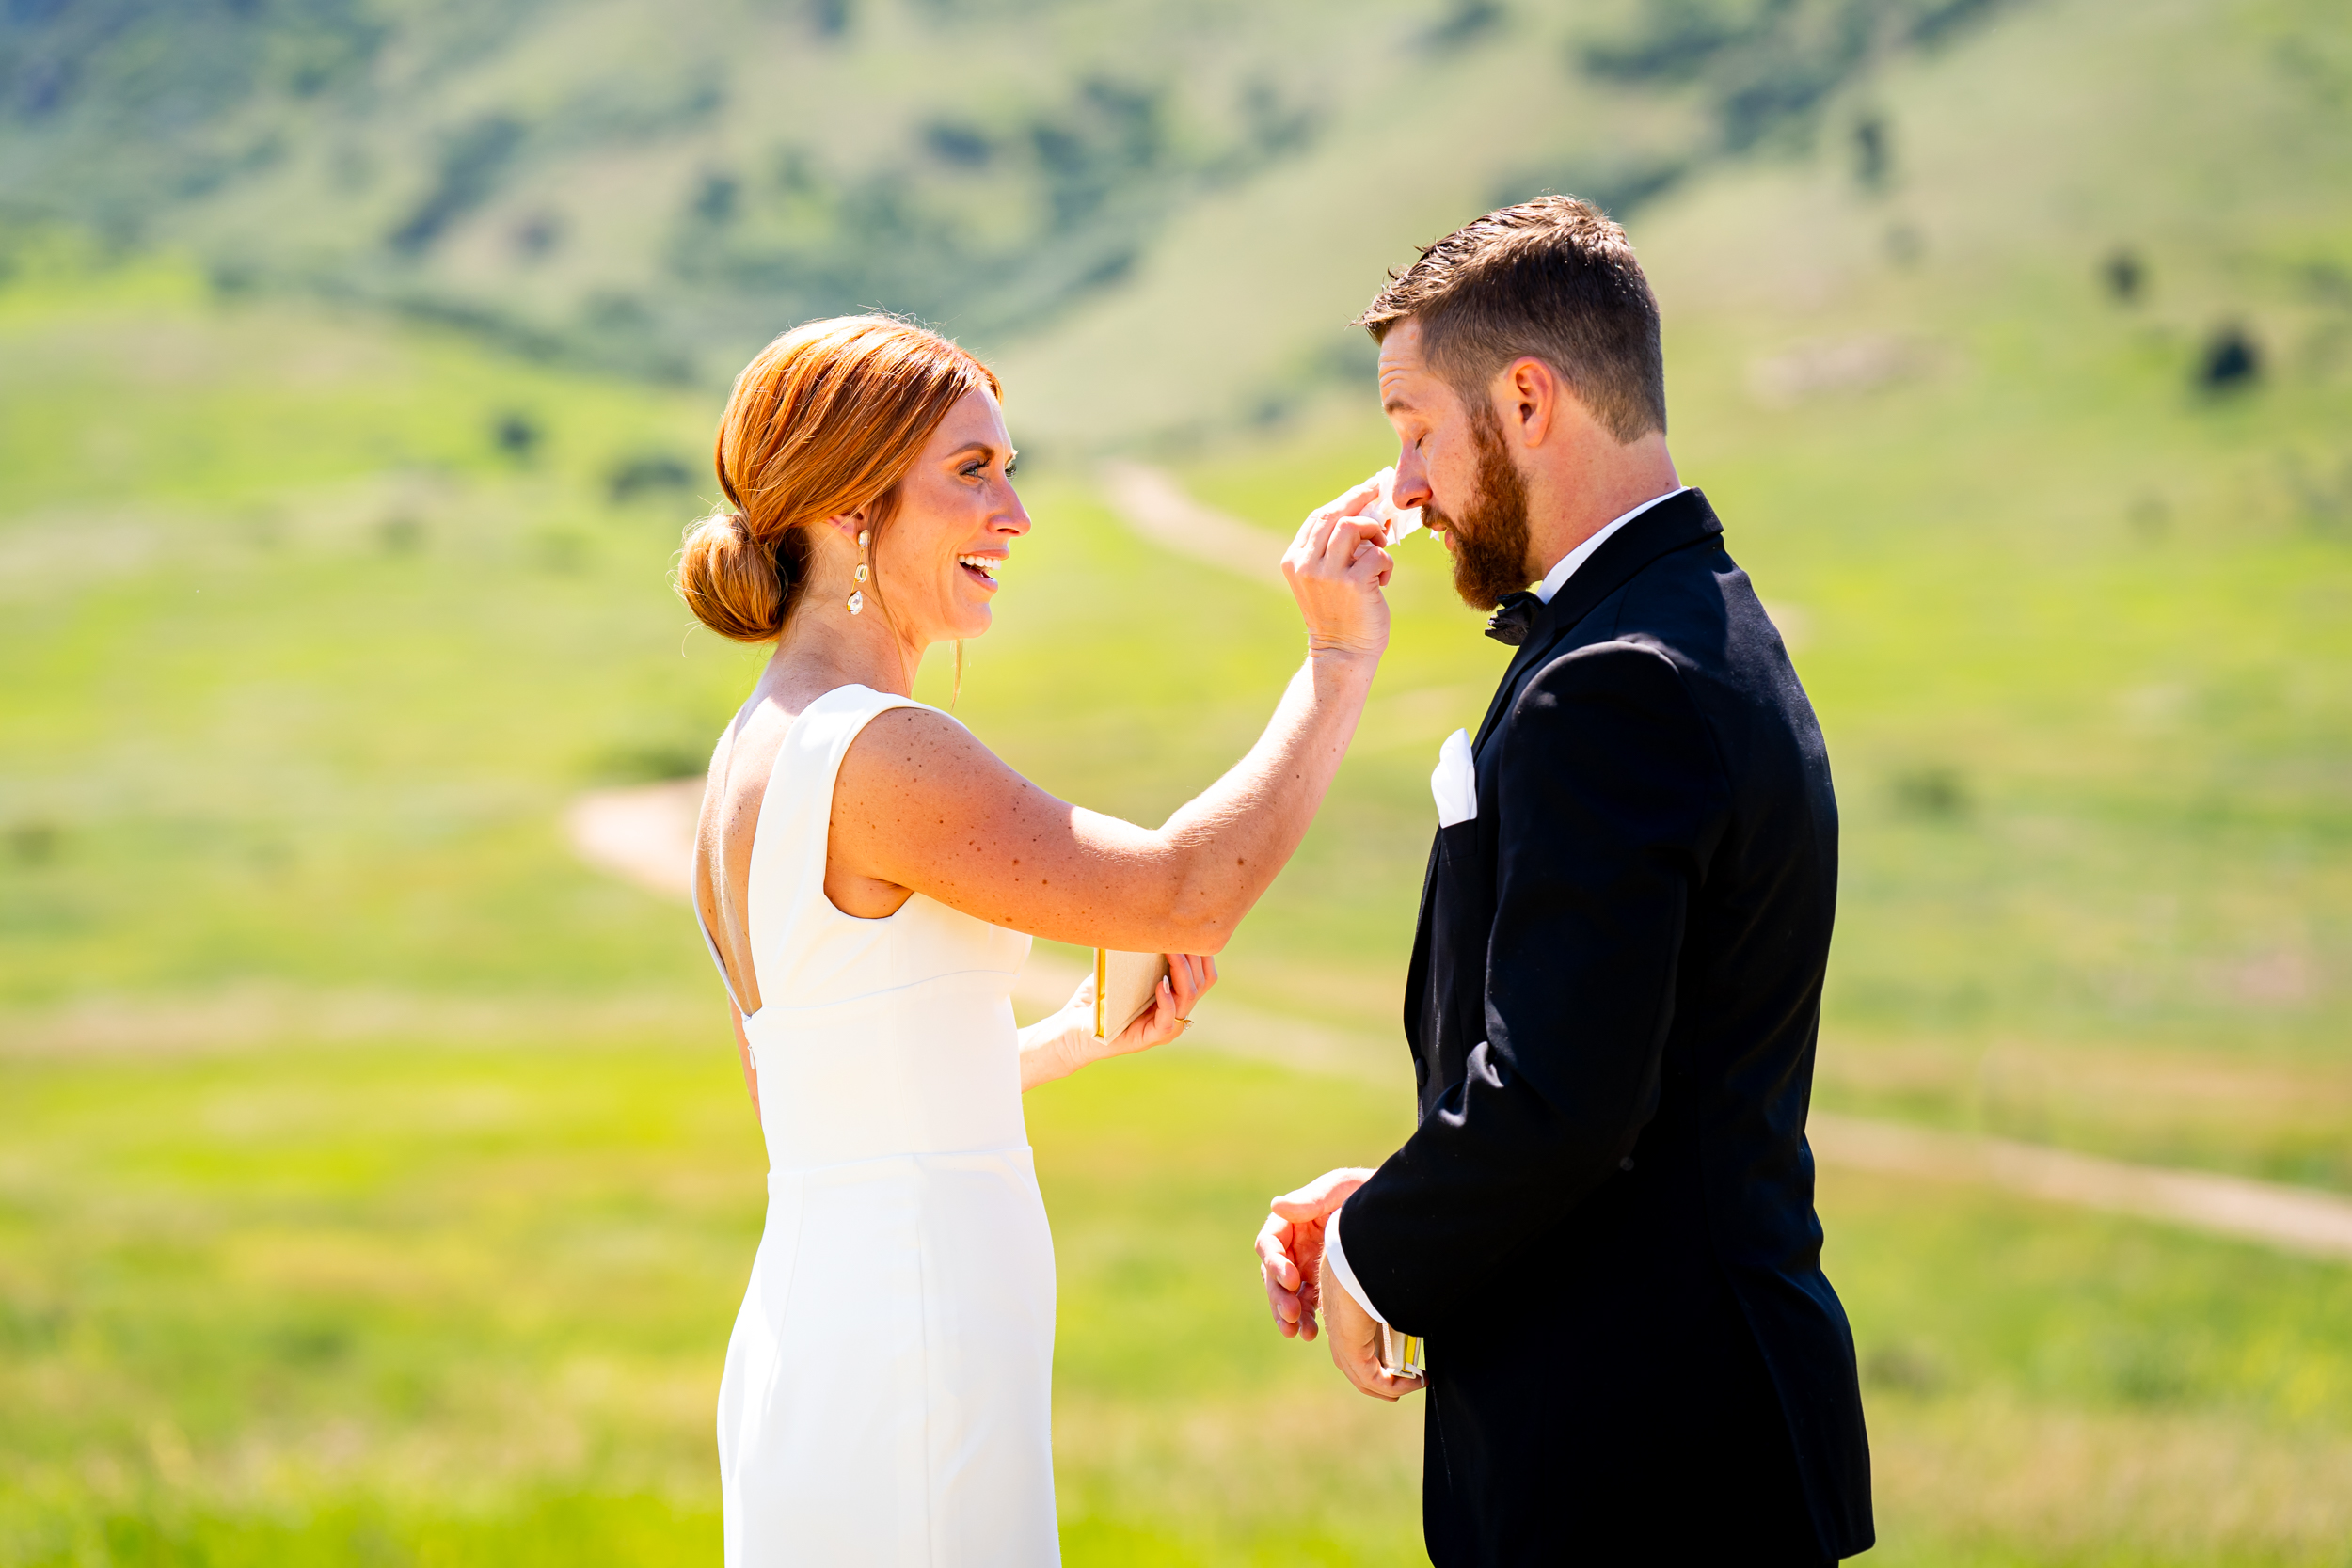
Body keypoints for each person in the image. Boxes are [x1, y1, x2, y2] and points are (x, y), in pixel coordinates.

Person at [675, 315, 1392, 1566]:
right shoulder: (879, 747)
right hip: (917, 1329)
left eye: (1008, 468)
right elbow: (1183, 894)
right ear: (850, 503)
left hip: (824, 1316)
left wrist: (1066, 1041)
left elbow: (820, 1095)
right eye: (970, 472)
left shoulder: (753, 750)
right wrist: (1335, 659)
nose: (1013, 512)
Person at [1254, 197, 1874, 1563]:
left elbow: (1566, 1099)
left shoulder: (1611, 687)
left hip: (1646, 1465)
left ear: (1527, 399)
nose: (1403, 485)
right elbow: (1632, 1083)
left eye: (1415, 428)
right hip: (1691, 1437)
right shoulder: (1698, 625)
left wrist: (1372, 1259)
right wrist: (1400, 1193)